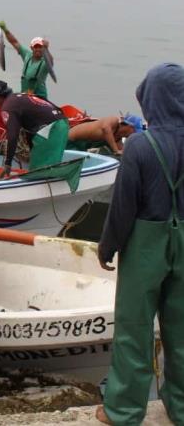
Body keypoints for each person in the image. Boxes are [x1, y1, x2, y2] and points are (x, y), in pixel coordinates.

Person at [96, 63, 184, 426]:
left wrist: (107, 247)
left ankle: (124, 410)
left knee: (135, 329)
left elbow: (122, 207)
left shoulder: (140, 145)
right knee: (182, 330)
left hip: (146, 243)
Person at [0, 80, 69, 177]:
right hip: (62, 124)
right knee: (50, 165)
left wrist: (8, 163)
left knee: (38, 173)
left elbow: (12, 136)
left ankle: (42, 188)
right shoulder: (21, 96)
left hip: (50, 130)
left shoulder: (7, 107)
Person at [0, 21, 53, 99]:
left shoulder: (44, 63)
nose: (38, 49)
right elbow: (14, 42)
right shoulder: (27, 55)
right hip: (25, 97)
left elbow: (50, 61)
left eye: (40, 47)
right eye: (36, 47)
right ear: (32, 48)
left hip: (39, 98)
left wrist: (46, 49)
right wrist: (5, 30)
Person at [66, 114, 144, 155]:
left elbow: (123, 152)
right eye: (135, 131)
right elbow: (105, 128)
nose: (134, 135)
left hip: (81, 147)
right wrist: (116, 150)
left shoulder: (117, 139)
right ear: (129, 127)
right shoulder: (113, 121)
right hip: (69, 140)